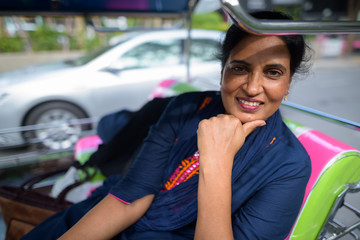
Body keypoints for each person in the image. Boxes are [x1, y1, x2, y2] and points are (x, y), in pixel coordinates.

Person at [22, 10, 312, 240]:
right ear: (222, 72)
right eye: (240, 68)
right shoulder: (186, 108)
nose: (251, 87)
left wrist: (217, 161)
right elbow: (132, 195)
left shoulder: (290, 164)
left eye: (273, 73)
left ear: (287, 83)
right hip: (114, 216)